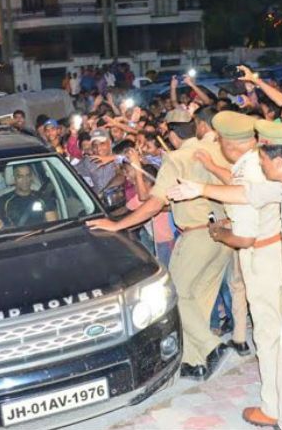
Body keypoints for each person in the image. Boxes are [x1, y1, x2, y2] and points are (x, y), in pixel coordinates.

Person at [168, 121, 282, 430]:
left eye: (263, 158)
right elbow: (250, 194)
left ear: (279, 161)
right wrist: (199, 188)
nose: (260, 162)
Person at [88, 108, 234, 381]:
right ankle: (195, 362)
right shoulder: (214, 149)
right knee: (198, 300)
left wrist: (118, 225)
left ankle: (213, 347)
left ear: (171, 134)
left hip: (197, 235)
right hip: (223, 233)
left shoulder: (176, 158)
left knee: (175, 295)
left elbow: (154, 202)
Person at [196, 111, 282, 427]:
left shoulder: (248, 171)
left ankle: (274, 408)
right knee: (278, 329)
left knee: (267, 334)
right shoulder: (257, 162)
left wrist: (220, 232)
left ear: (228, 143)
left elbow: (245, 237)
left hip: (260, 258)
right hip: (276, 250)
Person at [0, 164, 58, 231]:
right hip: (15, 241)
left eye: (27, 176)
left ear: (31, 177)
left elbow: (52, 224)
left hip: (39, 238)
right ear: (14, 178)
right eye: (20, 176)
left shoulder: (43, 198)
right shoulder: (3, 200)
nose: (25, 180)